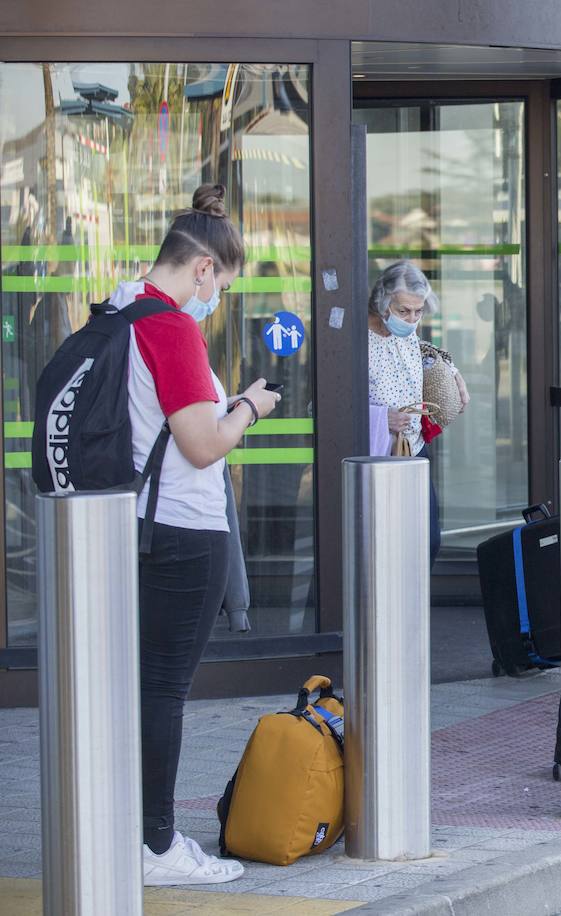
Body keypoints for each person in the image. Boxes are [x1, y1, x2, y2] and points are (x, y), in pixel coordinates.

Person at [124, 184, 280, 884]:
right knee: (163, 689)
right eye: (218, 284)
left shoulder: (119, 308)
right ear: (201, 269)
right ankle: (157, 845)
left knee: (140, 686)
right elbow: (202, 444)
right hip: (184, 533)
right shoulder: (172, 328)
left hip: (135, 525)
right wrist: (248, 404)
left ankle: (129, 829)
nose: (212, 300)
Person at [366, 261, 469, 566]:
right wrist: (380, 418)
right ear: (382, 303)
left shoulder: (407, 334)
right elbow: (323, 402)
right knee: (383, 546)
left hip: (412, 450)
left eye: (418, 311)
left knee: (427, 540)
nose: (412, 319)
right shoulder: (355, 341)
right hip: (374, 459)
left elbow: (425, 350)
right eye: (403, 311)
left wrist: (454, 373)